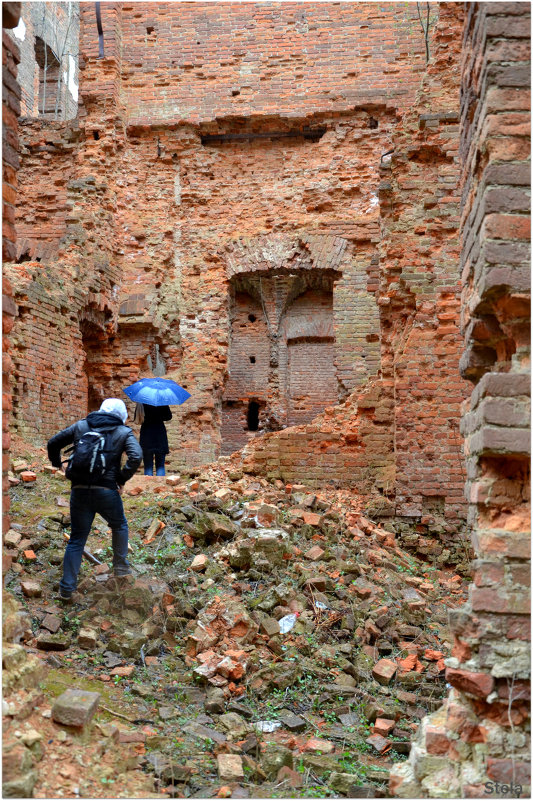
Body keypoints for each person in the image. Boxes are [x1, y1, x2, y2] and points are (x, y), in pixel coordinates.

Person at [47, 398, 142, 601]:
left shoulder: (82, 425)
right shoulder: (123, 432)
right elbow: (136, 456)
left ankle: (66, 589)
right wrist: (121, 479)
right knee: (119, 525)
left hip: (79, 491)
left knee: (77, 539)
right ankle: (121, 568)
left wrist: (58, 465)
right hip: (107, 491)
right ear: (122, 415)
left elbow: (53, 442)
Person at [134, 403, 172, 476]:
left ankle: (148, 487)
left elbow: (137, 418)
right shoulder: (161, 401)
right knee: (160, 466)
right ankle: (160, 486)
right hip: (159, 434)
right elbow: (169, 416)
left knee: (148, 466)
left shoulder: (141, 402)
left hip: (146, 435)